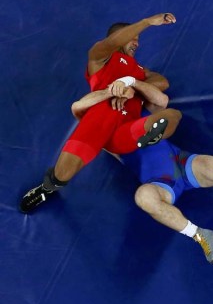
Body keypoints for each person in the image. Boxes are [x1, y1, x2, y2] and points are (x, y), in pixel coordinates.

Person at [69, 82, 213, 264]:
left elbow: (161, 99)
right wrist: (108, 92)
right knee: (143, 198)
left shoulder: (140, 110)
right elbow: (77, 108)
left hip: (184, 164)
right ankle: (199, 234)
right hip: (159, 183)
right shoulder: (102, 136)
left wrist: (130, 82)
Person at [20, 13, 182, 214]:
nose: (136, 43)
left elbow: (162, 81)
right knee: (63, 173)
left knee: (173, 115)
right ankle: (47, 188)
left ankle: (148, 138)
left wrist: (132, 85)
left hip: (125, 131)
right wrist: (146, 23)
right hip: (99, 121)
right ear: (119, 37)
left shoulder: (140, 70)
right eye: (133, 38)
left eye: (138, 40)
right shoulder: (100, 57)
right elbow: (111, 43)